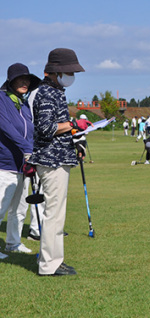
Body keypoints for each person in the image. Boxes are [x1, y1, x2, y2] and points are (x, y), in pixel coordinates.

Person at [28, 48, 85, 276]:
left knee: (57, 213)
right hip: (51, 160)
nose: (72, 75)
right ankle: (48, 264)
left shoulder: (56, 91)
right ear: (55, 71)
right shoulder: (46, 93)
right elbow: (45, 128)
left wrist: (74, 132)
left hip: (60, 157)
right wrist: (72, 125)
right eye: (68, 70)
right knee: (54, 213)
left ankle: (53, 259)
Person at [0, 63, 40, 256]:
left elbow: (30, 131)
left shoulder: (23, 104)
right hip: (5, 164)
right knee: (1, 208)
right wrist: (27, 148)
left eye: (28, 80)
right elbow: (7, 129)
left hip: (23, 165)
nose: (25, 82)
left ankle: (13, 243)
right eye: (21, 79)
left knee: (19, 210)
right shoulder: (1, 99)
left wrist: (33, 150)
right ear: (11, 81)